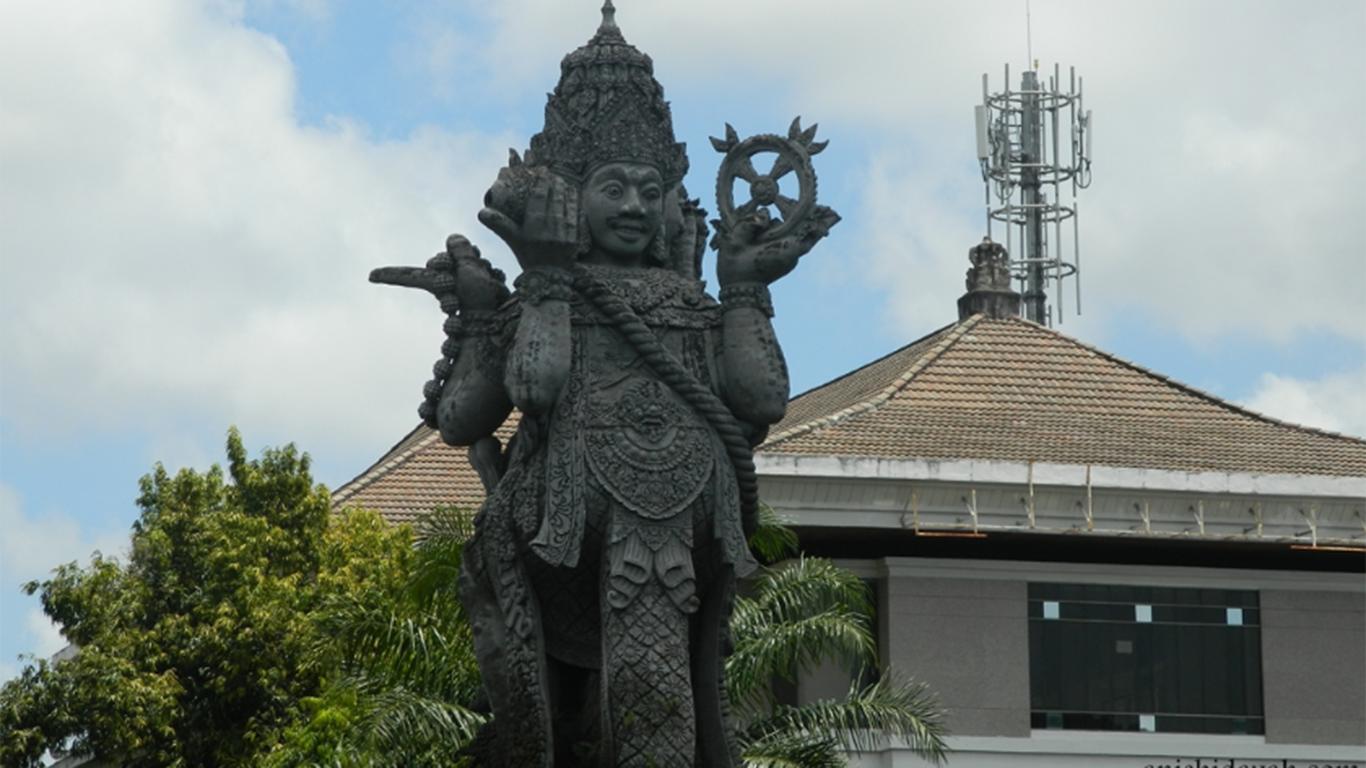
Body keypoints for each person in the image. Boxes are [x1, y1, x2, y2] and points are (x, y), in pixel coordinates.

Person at [403, 4, 837, 765]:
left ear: (670, 197)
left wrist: (742, 291)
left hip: (678, 529)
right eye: (613, 188)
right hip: (559, 535)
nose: (634, 207)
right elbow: (506, 401)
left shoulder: (692, 306)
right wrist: (517, 291)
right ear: (569, 194)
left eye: (648, 189)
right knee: (563, 722)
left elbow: (761, 401)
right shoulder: (547, 296)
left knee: (660, 706)